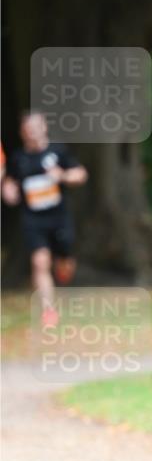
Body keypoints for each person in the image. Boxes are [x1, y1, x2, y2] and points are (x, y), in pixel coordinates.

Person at [1, 111, 88, 327]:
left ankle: (64, 267)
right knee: (39, 262)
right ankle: (49, 311)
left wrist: (64, 176)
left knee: (65, 261)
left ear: (44, 128)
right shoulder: (18, 159)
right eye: (27, 129)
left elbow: (81, 174)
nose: (32, 133)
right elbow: (10, 182)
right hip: (33, 220)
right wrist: (8, 191)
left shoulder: (58, 152)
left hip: (59, 218)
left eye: (35, 127)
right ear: (22, 133)